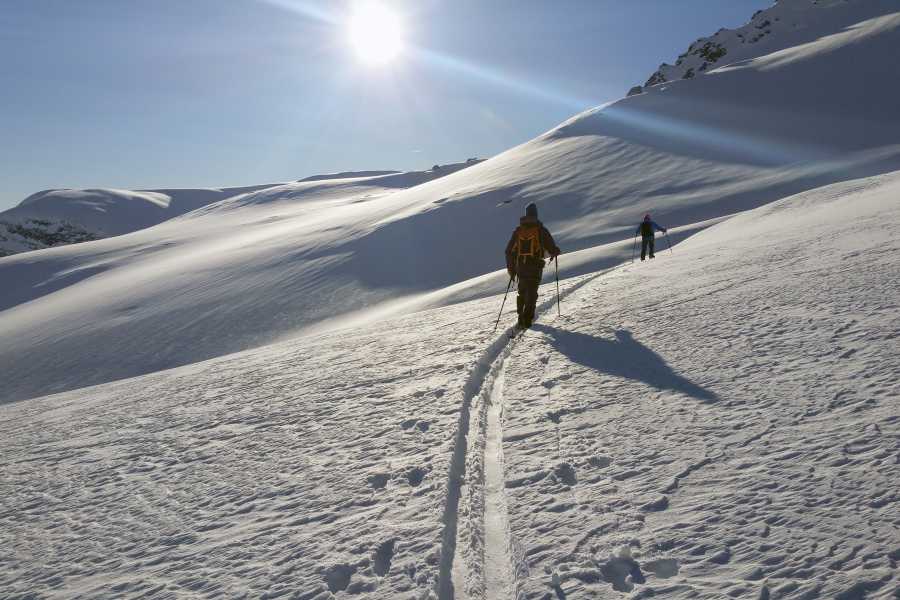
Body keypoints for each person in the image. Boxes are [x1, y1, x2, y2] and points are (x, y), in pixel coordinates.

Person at [505, 202, 560, 329]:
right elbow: (552, 248)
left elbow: (508, 251)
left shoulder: (518, 231)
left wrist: (511, 268)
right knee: (532, 292)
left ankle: (520, 318)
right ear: (536, 214)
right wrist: (555, 251)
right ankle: (527, 320)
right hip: (535, 266)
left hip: (521, 267)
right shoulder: (541, 230)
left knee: (522, 292)